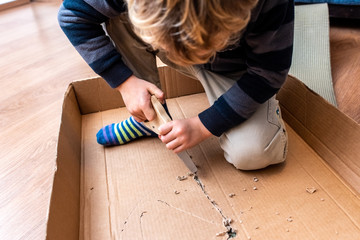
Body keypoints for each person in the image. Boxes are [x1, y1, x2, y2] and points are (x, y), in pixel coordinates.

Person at [58, 0, 294, 170]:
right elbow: (72, 17)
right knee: (118, 16)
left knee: (253, 154)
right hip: (169, 36)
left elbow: (268, 74)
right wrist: (125, 82)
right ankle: (149, 117)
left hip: (236, 68)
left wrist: (202, 126)